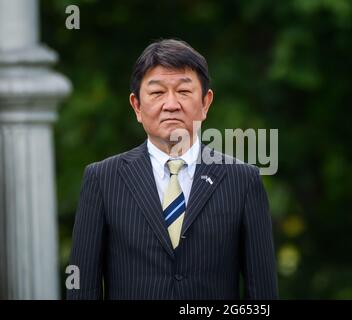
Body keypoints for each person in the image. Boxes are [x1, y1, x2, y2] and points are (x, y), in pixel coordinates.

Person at [67, 39, 278, 299]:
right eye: (157, 93)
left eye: (183, 91)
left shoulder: (243, 181)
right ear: (137, 106)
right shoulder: (102, 179)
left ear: (205, 103)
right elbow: (82, 289)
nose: (171, 104)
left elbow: (263, 294)